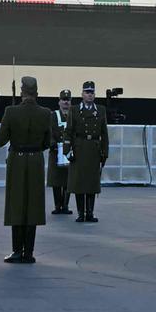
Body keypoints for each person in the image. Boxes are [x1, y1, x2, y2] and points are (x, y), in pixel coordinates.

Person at [0, 75, 52, 263]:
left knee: (16, 203)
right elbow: (47, 142)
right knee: (33, 205)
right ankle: (29, 252)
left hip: (17, 161)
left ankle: (17, 250)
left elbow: (0, 140)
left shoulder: (10, 112)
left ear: (21, 92)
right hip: (35, 161)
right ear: (36, 92)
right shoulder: (45, 113)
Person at [66, 79, 107, 223]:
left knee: (91, 182)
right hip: (79, 147)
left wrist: (104, 152)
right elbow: (68, 131)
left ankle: (90, 212)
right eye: (87, 92)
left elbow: (104, 133)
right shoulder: (75, 109)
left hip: (94, 148)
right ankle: (80, 213)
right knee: (79, 182)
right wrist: (67, 149)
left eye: (92, 92)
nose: (89, 95)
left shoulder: (100, 110)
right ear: (82, 94)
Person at [47, 88, 73, 215]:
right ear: (59, 102)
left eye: (68, 100)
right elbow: (49, 131)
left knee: (68, 179)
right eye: (63, 100)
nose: (65, 102)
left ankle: (66, 205)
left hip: (69, 151)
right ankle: (57, 205)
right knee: (56, 179)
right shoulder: (53, 115)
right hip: (56, 151)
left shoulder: (74, 115)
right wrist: (53, 144)